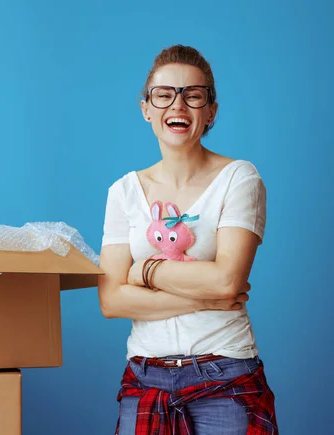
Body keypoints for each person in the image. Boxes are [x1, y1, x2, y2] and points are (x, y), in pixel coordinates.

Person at [98, 45, 279, 435]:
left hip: (224, 371)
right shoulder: (123, 192)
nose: (177, 105)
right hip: (145, 375)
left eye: (193, 95)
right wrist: (207, 297)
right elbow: (111, 300)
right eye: (164, 95)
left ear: (210, 110)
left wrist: (144, 271)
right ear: (146, 108)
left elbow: (228, 281)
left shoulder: (239, 178)